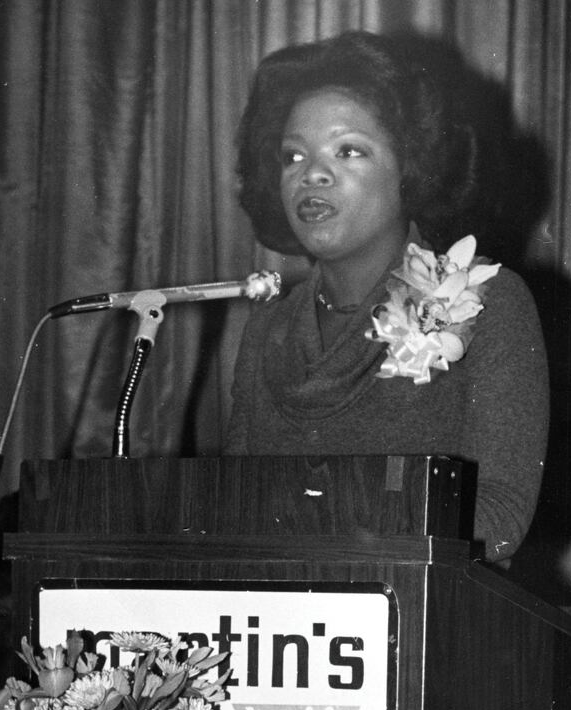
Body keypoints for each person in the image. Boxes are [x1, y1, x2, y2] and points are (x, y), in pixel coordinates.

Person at [225, 30, 549, 565]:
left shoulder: (490, 303)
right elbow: (231, 506)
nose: (313, 174)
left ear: (411, 167)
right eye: (292, 157)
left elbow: (500, 517)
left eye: (348, 150)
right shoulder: (267, 329)